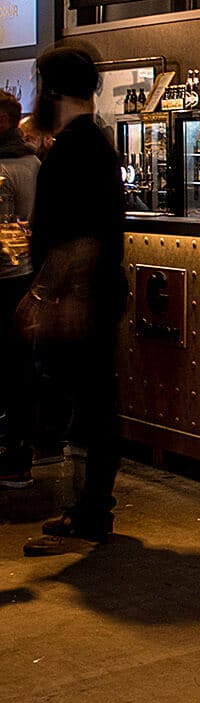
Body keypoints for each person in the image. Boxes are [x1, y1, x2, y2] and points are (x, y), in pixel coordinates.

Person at [14, 46, 127, 551]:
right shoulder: (89, 143)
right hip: (91, 291)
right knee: (90, 402)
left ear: (49, 89)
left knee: (87, 406)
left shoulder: (75, 149)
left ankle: (89, 515)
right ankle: (88, 510)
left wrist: (48, 293)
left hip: (83, 295)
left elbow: (82, 236)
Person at [1, 90, 41, 488]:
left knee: (14, 372)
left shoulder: (14, 167)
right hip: (22, 276)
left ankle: (14, 456)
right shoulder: (32, 162)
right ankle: (17, 454)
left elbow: (14, 227)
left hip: (9, 279)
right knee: (17, 371)